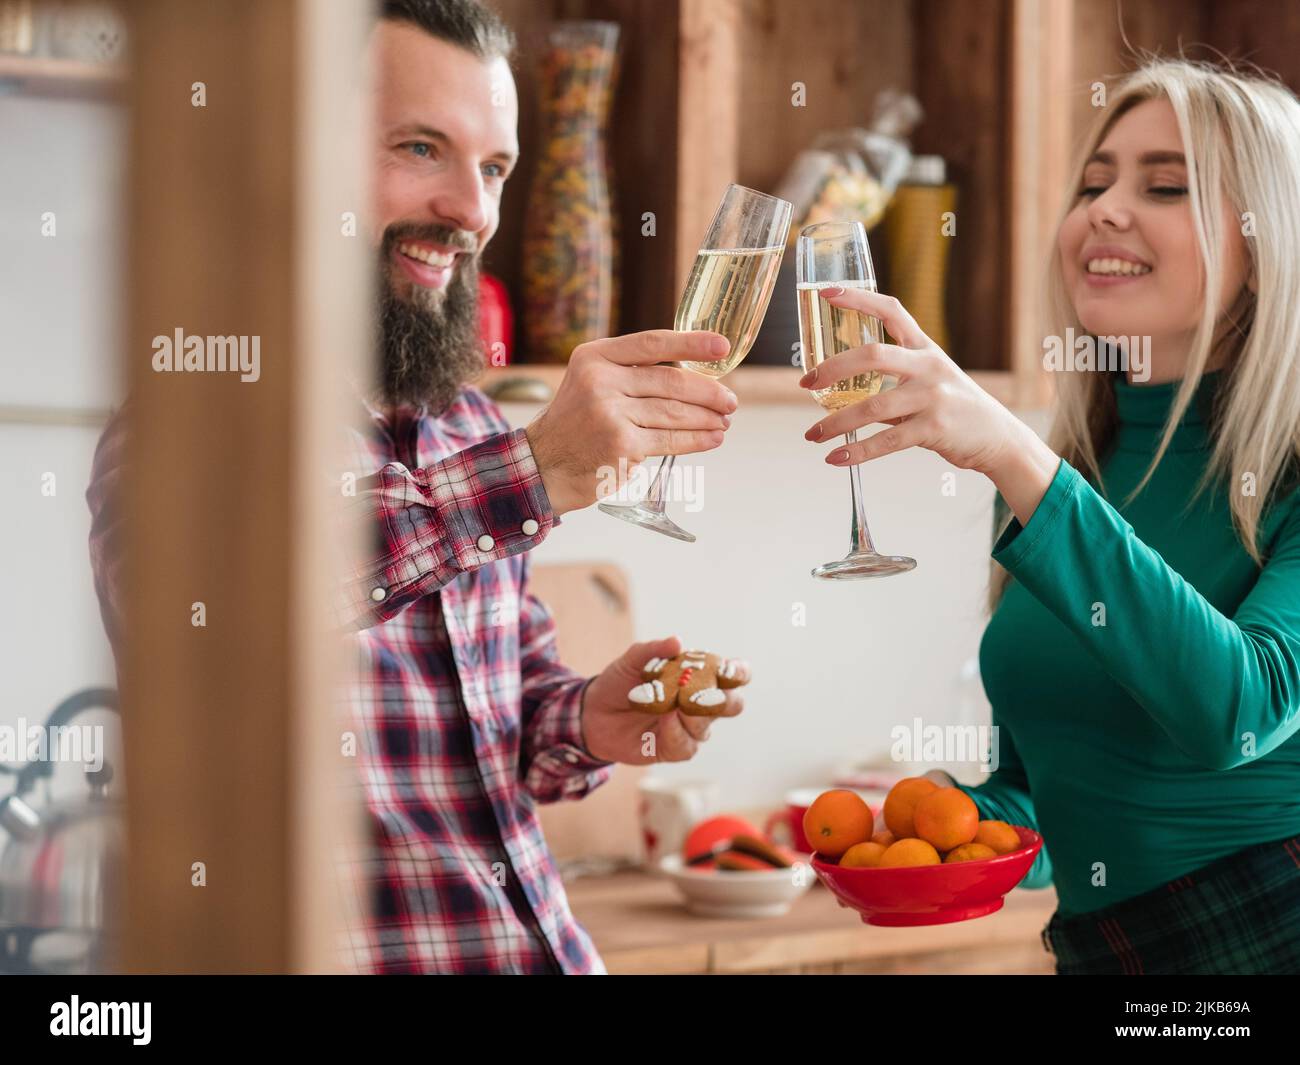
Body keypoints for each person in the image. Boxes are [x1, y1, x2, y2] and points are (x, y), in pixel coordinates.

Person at [86, 0, 746, 974]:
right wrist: (533, 471)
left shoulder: (466, 427)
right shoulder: (190, 427)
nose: (473, 212)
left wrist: (588, 720)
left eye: (492, 170)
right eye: (420, 148)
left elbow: (502, 719)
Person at [801, 60, 1300, 974]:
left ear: (1269, 243)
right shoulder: (1065, 476)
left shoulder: (1045, 482)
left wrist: (1018, 458)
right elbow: (1045, 799)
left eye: (1165, 185)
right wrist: (939, 825)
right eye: (1093, 181)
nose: (1103, 209)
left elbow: (1243, 710)